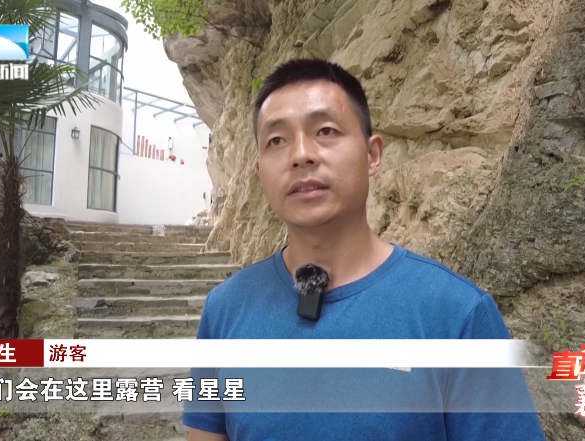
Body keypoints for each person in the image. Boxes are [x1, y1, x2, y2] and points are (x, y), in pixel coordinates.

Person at [182, 58, 546, 441]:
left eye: (325, 131)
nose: (301, 154)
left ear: (372, 155)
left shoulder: (456, 315)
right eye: (277, 140)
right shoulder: (226, 310)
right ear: (259, 172)